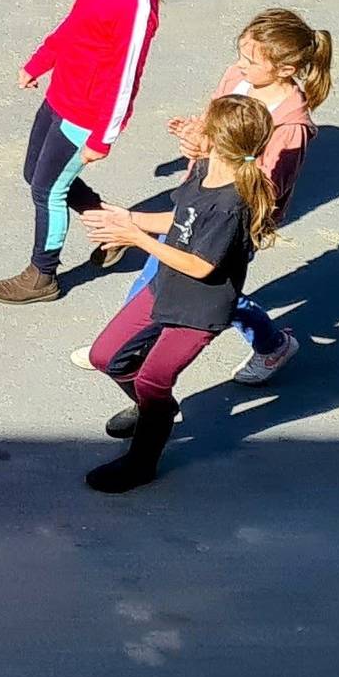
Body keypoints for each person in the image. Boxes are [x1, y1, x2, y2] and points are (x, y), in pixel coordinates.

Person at [74, 7, 332, 385]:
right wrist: (197, 140)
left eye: (250, 60)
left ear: (285, 70)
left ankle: (266, 344)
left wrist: (135, 222)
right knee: (175, 282)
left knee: (199, 289)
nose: (239, 64)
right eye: (241, 54)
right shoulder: (236, 78)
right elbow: (217, 126)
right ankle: (132, 343)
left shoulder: (291, 128)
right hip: (199, 195)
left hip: (230, 217)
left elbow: (259, 191)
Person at [75, 95, 278, 493]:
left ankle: (142, 462)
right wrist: (128, 218)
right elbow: (180, 219)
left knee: (153, 378)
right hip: (165, 286)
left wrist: (135, 239)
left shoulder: (231, 203)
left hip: (199, 307)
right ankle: (158, 411)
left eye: (205, 119)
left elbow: (203, 265)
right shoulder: (203, 170)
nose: (197, 121)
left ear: (220, 140)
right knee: (107, 357)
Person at [0, 0, 176, 304]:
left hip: (87, 115)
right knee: (35, 176)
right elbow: (76, 22)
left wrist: (102, 138)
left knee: (48, 191)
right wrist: (41, 61)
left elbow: (126, 77)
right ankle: (116, 229)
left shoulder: (137, 4)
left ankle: (43, 275)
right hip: (61, 95)